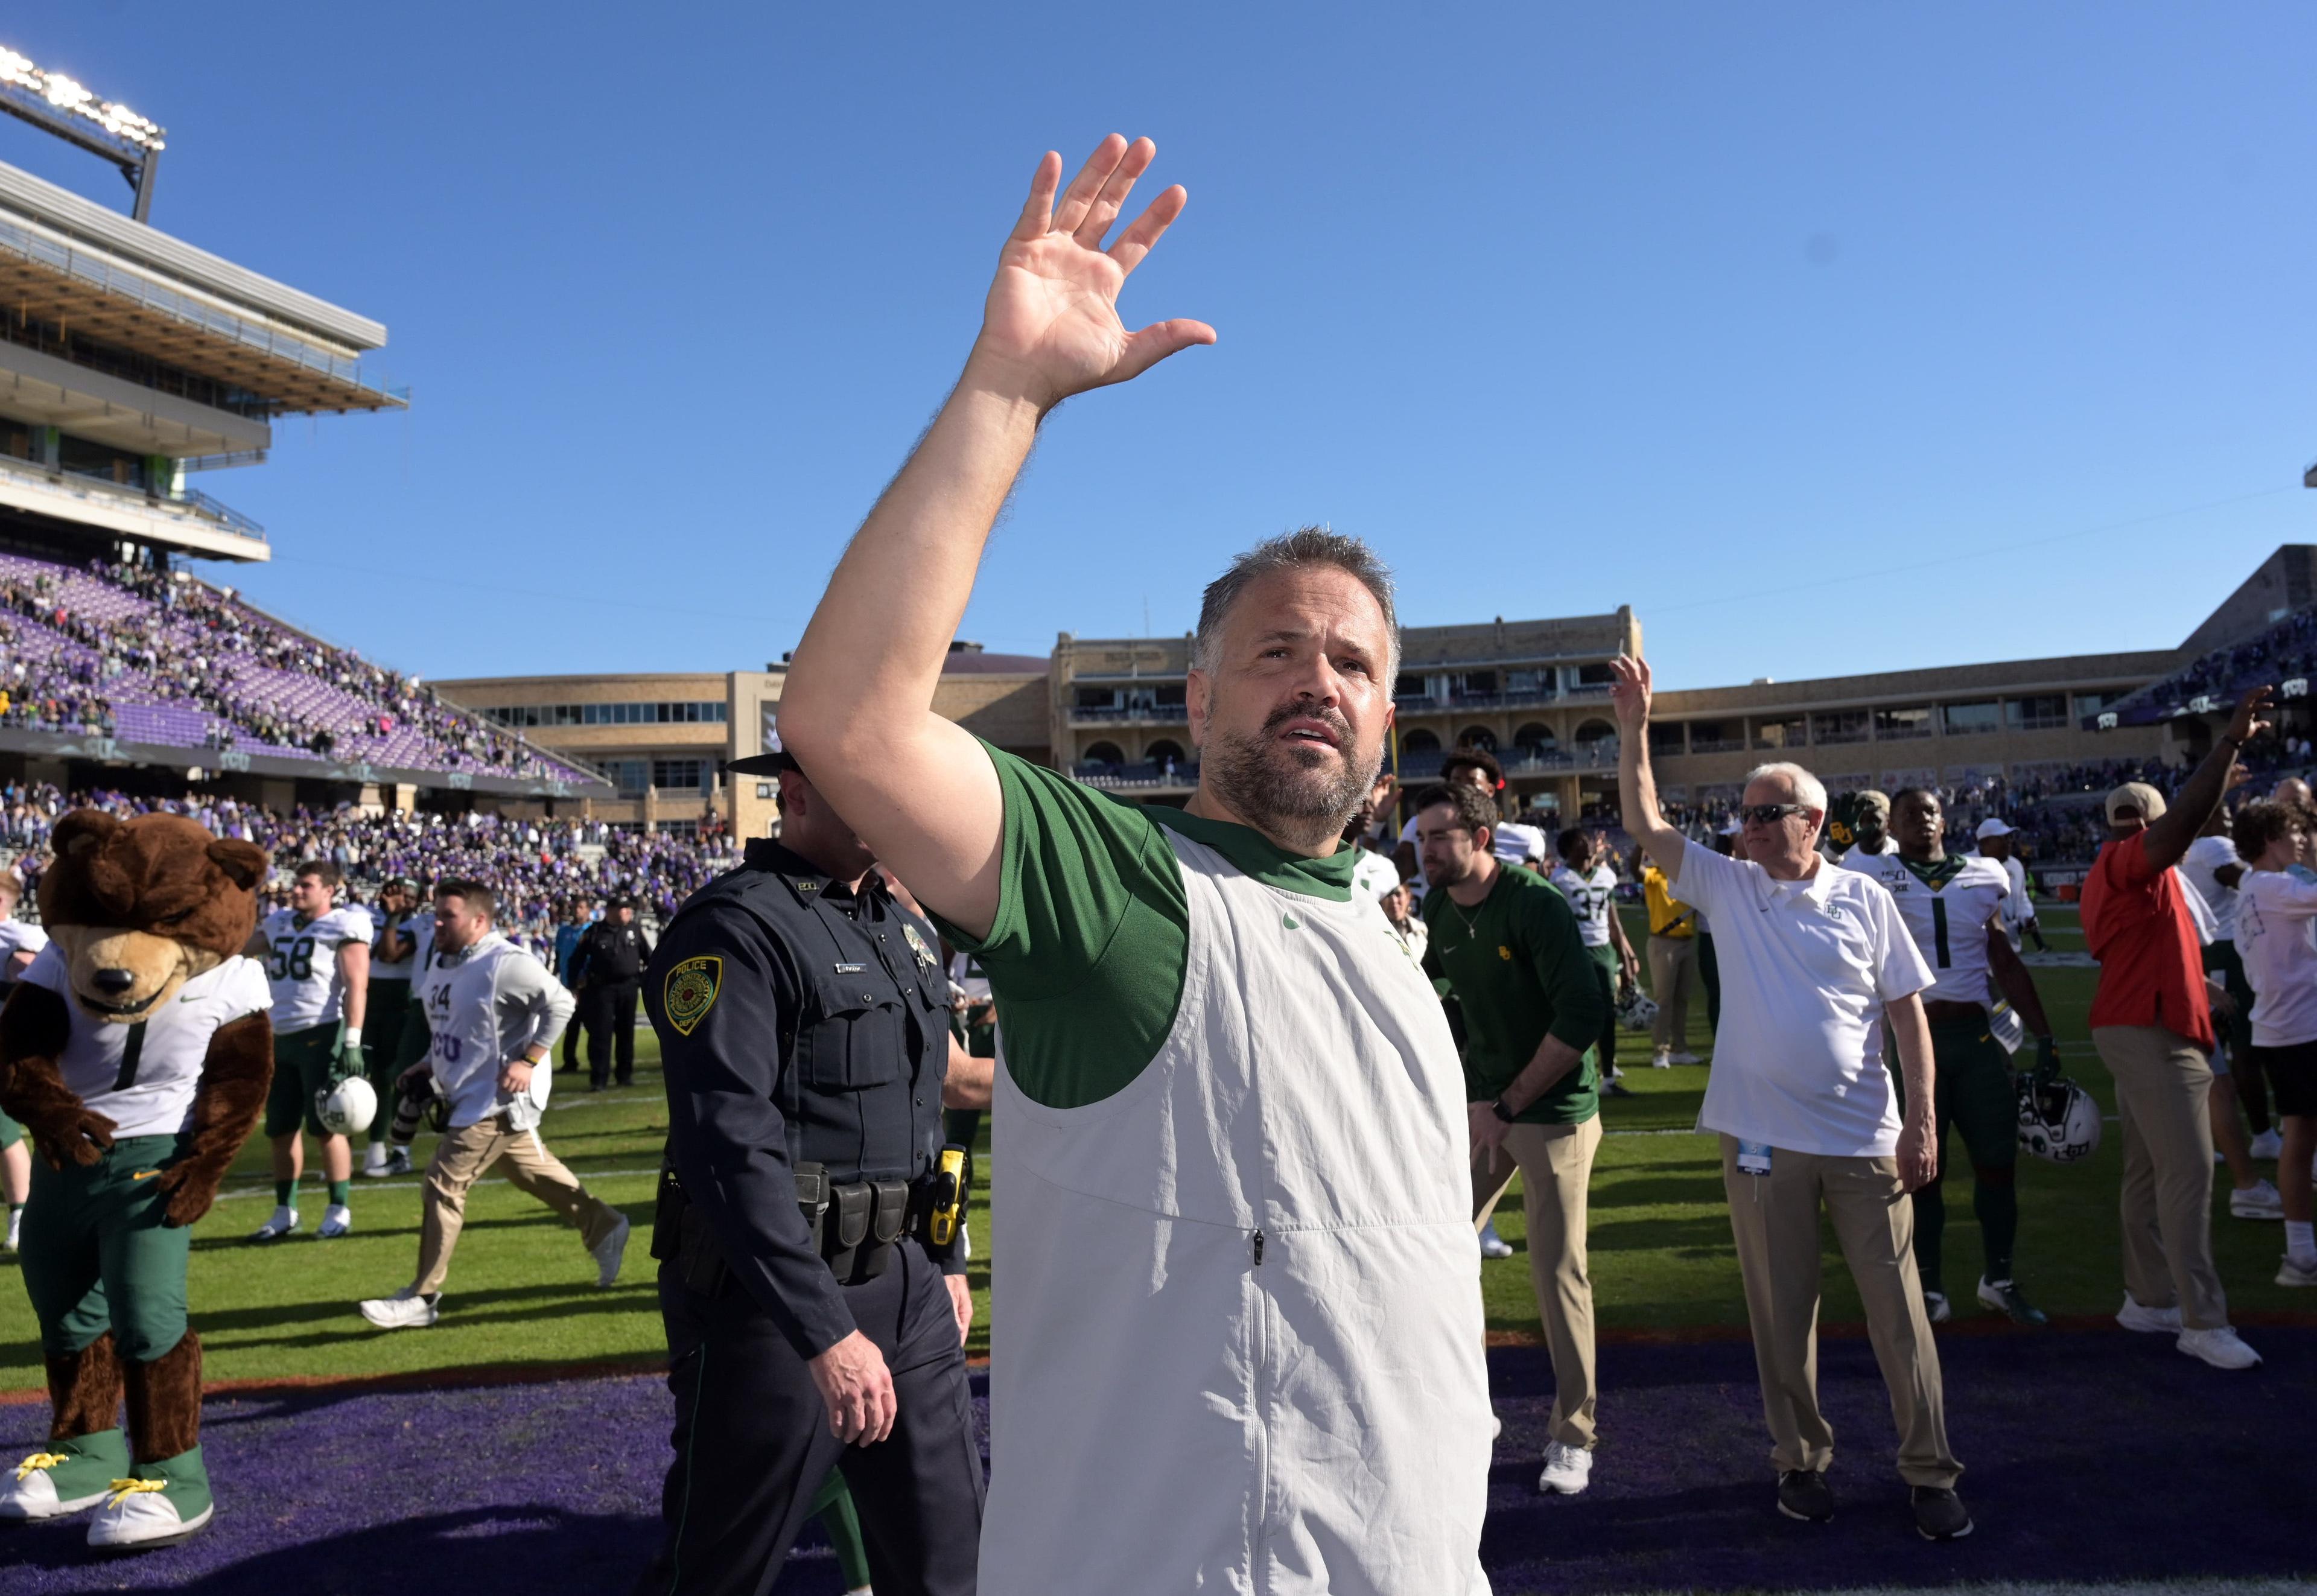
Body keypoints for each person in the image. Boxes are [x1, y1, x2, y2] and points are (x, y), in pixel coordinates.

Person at [774, 134, 1489, 1594]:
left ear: (1387, 718)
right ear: (1196, 699)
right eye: (1273, 650)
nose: (1316, 679)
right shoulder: (1125, 890)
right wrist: (1008, 389)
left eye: (1349, 659)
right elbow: (848, 718)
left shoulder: (1379, 918)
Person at [1610, 655, 1971, 1543]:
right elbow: (1646, 822)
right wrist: (1634, 731)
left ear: (1812, 821)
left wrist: (1921, 1122)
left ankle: (1929, 1468)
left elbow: (1908, 1018)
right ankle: (1800, 1459)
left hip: (1864, 1141)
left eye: (1764, 814)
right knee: (1781, 1319)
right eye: (1743, 814)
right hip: (1760, 1144)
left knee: (1899, 1320)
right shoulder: (1728, 884)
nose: (1748, 827)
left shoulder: (1864, 896)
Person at [632, 742, 987, 1596]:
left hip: (910, 1289)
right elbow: (728, 1145)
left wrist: (943, 1258)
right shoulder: (735, 927)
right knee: (721, 1571)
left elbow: (923, 1109)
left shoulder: (900, 924)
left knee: (958, 1568)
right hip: (777, 1306)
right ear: (795, 790)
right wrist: (823, 1329)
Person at [1418, 784, 1606, 1497]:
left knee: (1558, 1272)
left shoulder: (1534, 905)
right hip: (1488, 1105)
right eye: (1422, 837)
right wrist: (1473, 1092)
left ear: (1482, 837)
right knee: (1433, 1248)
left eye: (1441, 835)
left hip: (1552, 1108)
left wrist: (1506, 1100)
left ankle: (1574, 1434)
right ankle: (1459, 1406)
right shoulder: (1438, 906)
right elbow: (1443, 997)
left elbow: (1585, 1010)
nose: (1428, 849)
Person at [2079, 688, 2272, 1372]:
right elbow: (2184, 820)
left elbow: (2159, 945)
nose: (2135, 826)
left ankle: (2149, 1297)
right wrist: (2229, 743)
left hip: (2140, 1019)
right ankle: (2202, 1318)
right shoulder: (2131, 860)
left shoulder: (2128, 875)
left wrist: (2206, 986)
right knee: (2188, 1176)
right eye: (2128, 819)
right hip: (2151, 1031)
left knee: (2146, 1174)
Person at [357, 879, 627, 1328]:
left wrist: (529, 1059)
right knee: (531, 1173)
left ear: (480, 920)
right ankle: (605, 1224)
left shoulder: (506, 962)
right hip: (467, 1093)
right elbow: (456, 1030)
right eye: (437, 913)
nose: (438, 922)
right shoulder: (443, 960)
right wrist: (427, 1064)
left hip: (495, 1101)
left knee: (442, 1184)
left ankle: (422, 1296)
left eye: (449, 916)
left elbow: (561, 1002)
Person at [1841, 787, 2064, 1325]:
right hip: (1914, 1042)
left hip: (1977, 1036)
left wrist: (2045, 1035)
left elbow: (2003, 958)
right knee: (1922, 1171)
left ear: (1946, 820)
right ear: (1894, 822)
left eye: (1931, 811)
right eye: (1911, 812)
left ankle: (1999, 1278)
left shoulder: (1986, 875)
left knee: (1997, 1161)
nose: (1923, 819)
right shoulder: (1870, 878)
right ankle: (1932, 1285)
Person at [248, 861, 370, 1241]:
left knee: (327, 1126)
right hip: (278, 1035)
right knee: (281, 1127)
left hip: (321, 1033)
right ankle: (285, 1210)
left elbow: (356, 985)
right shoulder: (279, 922)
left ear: (330, 890)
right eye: (296, 885)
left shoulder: (345, 924)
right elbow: (237, 950)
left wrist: (351, 1039)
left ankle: (339, 1207)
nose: (296, 891)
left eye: (306, 886)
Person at [2176, 809, 2287, 1219]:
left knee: (2214, 1049)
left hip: (2210, 950)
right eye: (2219, 811)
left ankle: (2213, 1137)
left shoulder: (2190, 849)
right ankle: (2259, 1133)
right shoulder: (2215, 847)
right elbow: (2241, 880)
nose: (2226, 816)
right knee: (2239, 1045)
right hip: (2225, 948)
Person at [2226, 799, 2317, 1289]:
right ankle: (2300, 1256)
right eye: (2291, 833)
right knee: (2300, 1139)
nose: (2300, 840)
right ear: (2268, 840)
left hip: (2284, 1026)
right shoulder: (2277, 886)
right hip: (2301, 1026)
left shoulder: (2253, 887)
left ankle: (2302, 1253)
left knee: (2300, 1136)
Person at [1550, 827, 1641, 1093]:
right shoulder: (1559, 878)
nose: (1587, 844)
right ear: (1567, 848)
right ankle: (1578, 1070)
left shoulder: (1605, 876)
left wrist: (1625, 961)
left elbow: (1615, 924)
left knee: (1607, 1015)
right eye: (1580, 841)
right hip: (1575, 952)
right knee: (1575, 1014)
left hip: (1603, 951)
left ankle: (1609, 1077)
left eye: (1588, 840)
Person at [0, 864, 48, 1251]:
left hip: (8, 1048)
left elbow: (29, 974)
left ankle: (21, 1212)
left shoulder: (17, 936)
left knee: (4, 1133)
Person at [360, 878, 422, 1178]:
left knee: (391, 1076)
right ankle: (360, 1152)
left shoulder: (419, 926)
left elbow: (389, 954)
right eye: (395, 894)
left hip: (400, 1006)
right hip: (365, 1001)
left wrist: (394, 917)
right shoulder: (362, 917)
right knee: (361, 1076)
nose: (400, 900)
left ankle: (392, 1149)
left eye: (408, 897)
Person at [571, 896, 650, 1090]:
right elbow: (576, 960)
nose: (627, 912)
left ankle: (625, 1075)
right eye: (622, 908)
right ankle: (599, 1079)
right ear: (610, 911)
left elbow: (650, 958)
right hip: (602, 989)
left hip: (629, 987)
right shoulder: (595, 932)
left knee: (626, 1033)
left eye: (628, 909)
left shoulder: (634, 930)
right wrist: (574, 986)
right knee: (601, 1034)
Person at [1639, 848, 1700, 1067]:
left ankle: (1679, 1048)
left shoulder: (1687, 879)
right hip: (1663, 942)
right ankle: (1660, 1050)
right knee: (1664, 999)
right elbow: (1635, 871)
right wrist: (1640, 844)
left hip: (1686, 940)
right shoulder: (1655, 873)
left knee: (1681, 999)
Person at [1972, 819, 2046, 952]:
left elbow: (2022, 898)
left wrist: (2028, 918)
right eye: (2004, 838)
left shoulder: (2015, 866)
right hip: (1977, 946)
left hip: (2011, 943)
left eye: (2010, 837)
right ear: (1985, 842)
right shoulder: (1965, 866)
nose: (2009, 841)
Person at [552, 897, 596, 1075]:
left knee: (593, 1026)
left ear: (588, 910)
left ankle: (596, 1062)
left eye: (581, 907)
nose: (577, 910)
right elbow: (558, 955)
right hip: (567, 986)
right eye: (575, 907)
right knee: (571, 1025)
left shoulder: (593, 930)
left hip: (587, 985)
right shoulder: (563, 931)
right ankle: (570, 1061)